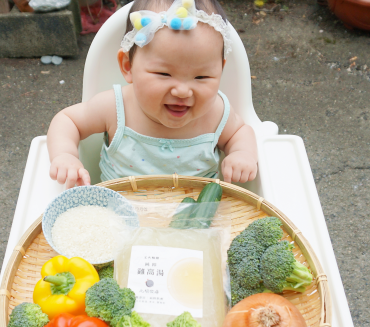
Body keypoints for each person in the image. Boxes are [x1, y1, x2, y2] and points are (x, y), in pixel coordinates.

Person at [47, 0, 258, 187]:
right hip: (120, 218)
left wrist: (242, 153)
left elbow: (240, 132)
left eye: (201, 77)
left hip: (193, 220)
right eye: (164, 73)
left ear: (220, 69)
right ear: (128, 66)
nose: (183, 91)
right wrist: (65, 155)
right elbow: (68, 120)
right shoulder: (115, 108)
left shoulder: (216, 113)